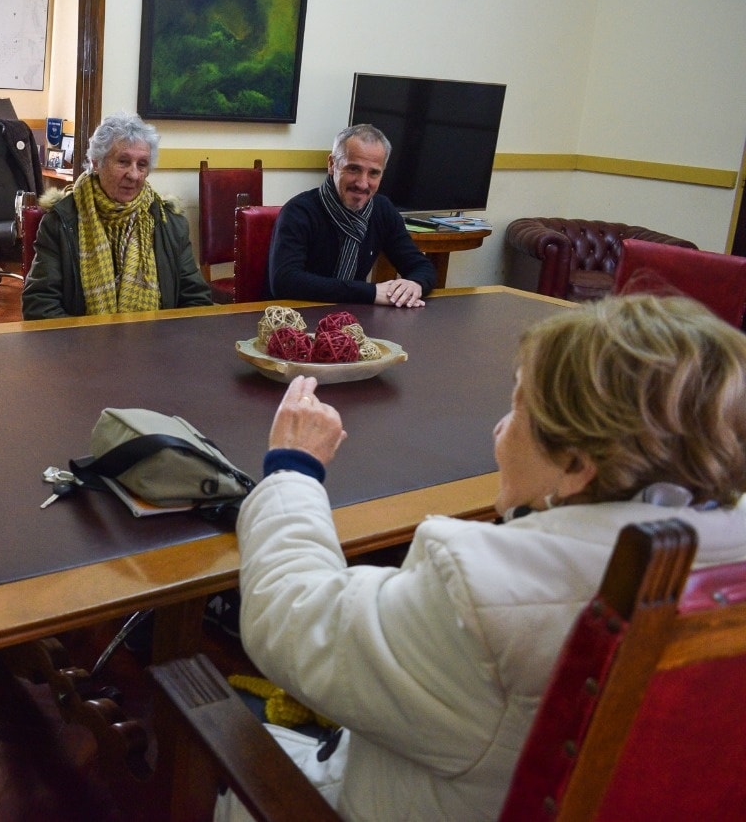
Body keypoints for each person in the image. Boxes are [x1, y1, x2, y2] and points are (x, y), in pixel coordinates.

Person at [224, 294, 746, 820]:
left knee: (211, 717)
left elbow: (291, 619)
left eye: (519, 408)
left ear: (577, 463)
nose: (500, 430)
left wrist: (293, 469)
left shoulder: (480, 599)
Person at [21, 110, 212, 319]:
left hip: (156, 345)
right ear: (96, 162)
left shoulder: (169, 223)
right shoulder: (61, 221)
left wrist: (164, 344)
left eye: (142, 164)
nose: (134, 175)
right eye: (123, 161)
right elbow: (40, 304)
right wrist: (89, 347)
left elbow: (196, 300)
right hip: (83, 347)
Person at [268, 124, 437, 307]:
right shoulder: (298, 211)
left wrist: (415, 284)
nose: (363, 184)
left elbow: (421, 267)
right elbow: (285, 281)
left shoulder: (382, 210)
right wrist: (370, 292)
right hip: (292, 319)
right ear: (332, 164)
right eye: (353, 169)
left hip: (351, 321)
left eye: (373, 173)